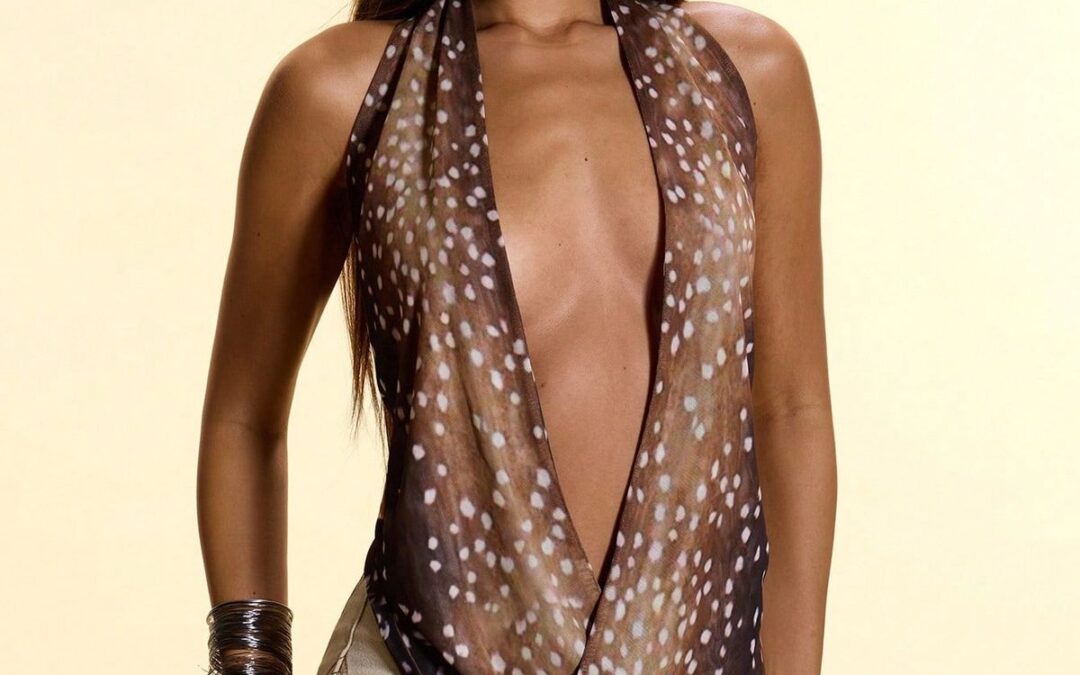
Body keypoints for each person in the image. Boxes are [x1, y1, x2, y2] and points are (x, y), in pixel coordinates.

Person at [197, 0, 836, 672]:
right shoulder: (343, 88)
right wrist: (249, 660)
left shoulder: (744, 69)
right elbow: (244, 420)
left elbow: (791, 411)